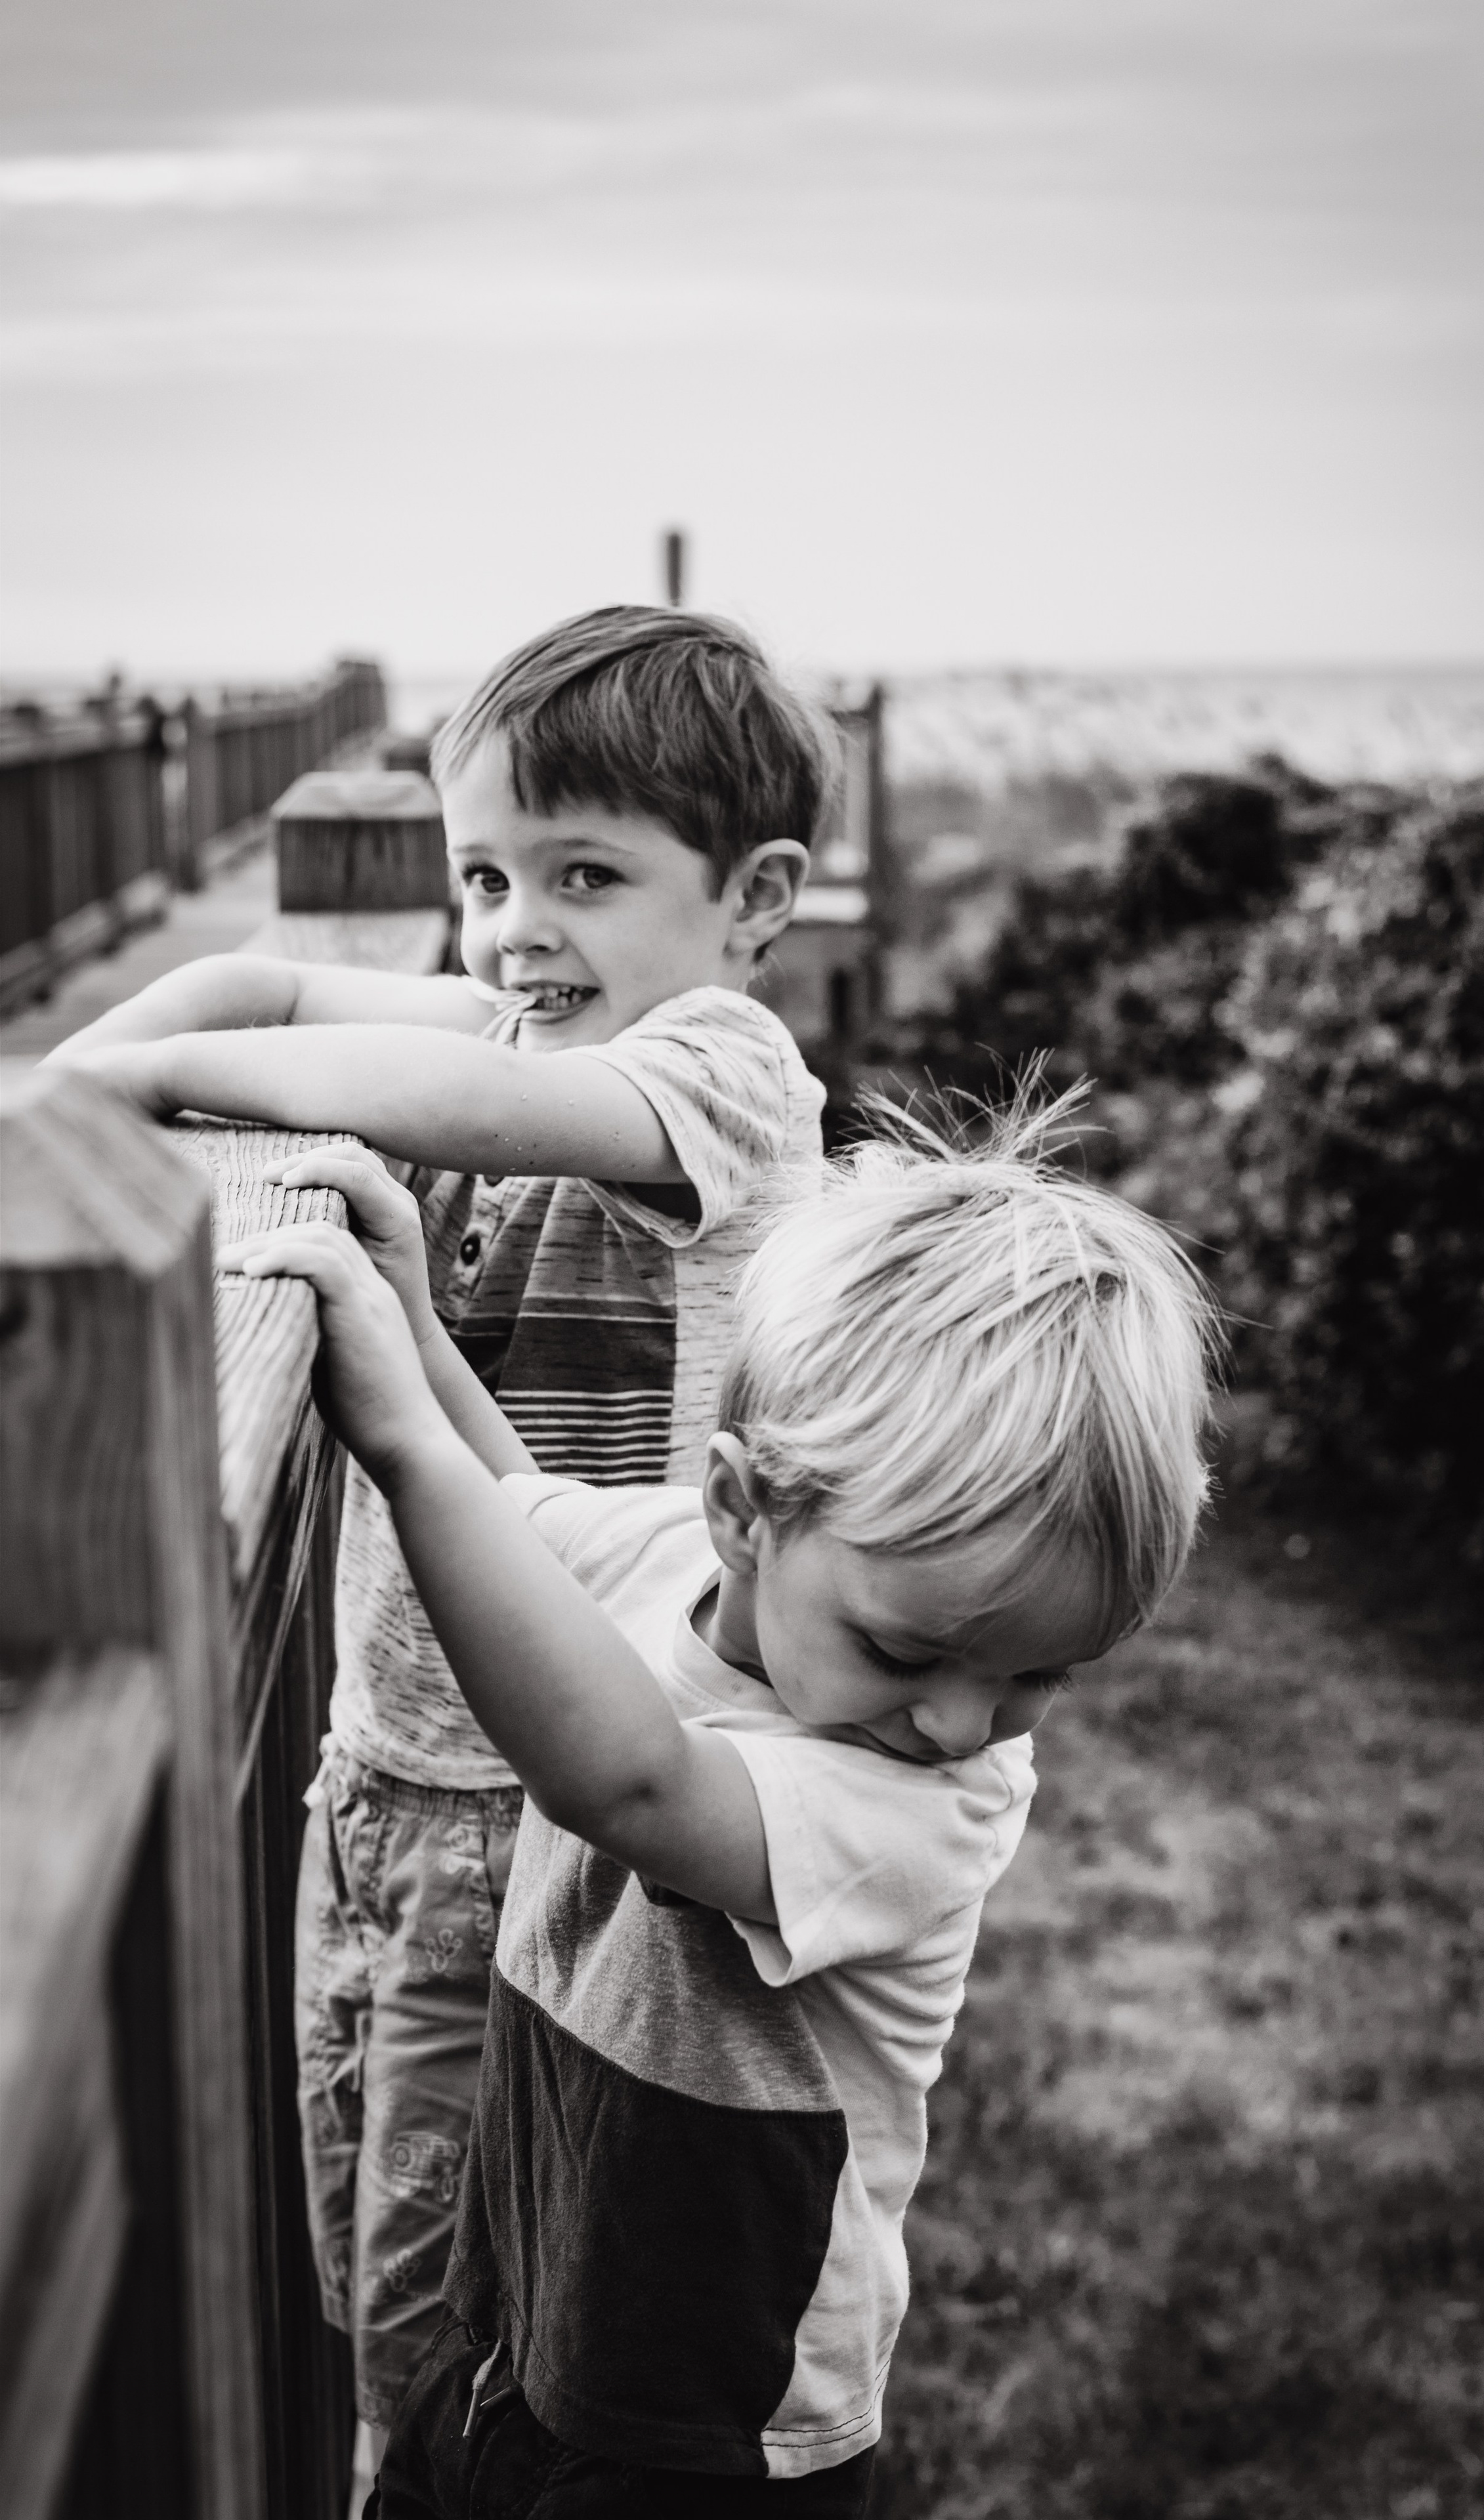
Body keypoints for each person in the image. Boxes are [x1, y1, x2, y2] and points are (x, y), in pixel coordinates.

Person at [52, 608, 834, 2488]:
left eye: (585, 875)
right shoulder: (537, 1009)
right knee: (357, 2248)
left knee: (446, 2332)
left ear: (755, 901)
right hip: (388, 1776)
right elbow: (275, 984)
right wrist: (62, 1100)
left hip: (555, 1816)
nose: (509, 932)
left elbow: (444, 1090)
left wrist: (166, 1094)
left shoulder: (722, 1071)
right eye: (481, 874)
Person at [221, 1091, 1222, 2513]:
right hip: (527, 2309)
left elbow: (627, 1781)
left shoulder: (924, 1809)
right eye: (907, 1649)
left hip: (708, 2430)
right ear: (742, 1512)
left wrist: (400, 1443)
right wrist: (412, 1319)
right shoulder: (659, 1561)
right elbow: (513, 1511)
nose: (960, 1721)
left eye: (1036, 1677)